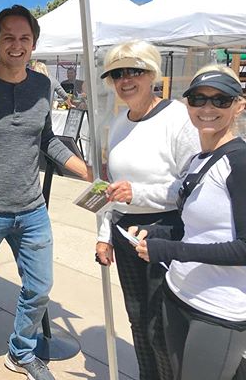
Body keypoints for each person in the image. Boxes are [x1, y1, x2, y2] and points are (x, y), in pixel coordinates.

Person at [0, 5, 90, 380]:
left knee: (40, 288)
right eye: (8, 37)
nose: (16, 45)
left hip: (31, 211)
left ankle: (22, 352)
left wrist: (87, 171)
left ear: (33, 43)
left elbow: (48, 141)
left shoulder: (41, 86)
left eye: (24, 38)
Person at [132, 65, 246, 380]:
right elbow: (196, 229)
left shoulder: (240, 162)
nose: (207, 108)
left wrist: (169, 250)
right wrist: (153, 233)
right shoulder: (199, 159)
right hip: (178, 294)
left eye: (220, 99)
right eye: (198, 99)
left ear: (239, 104)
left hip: (218, 310)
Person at [95, 40, 200, 380]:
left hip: (163, 233)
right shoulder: (120, 122)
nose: (126, 80)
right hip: (124, 232)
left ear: (152, 74)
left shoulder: (177, 119)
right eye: (118, 73)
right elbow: (113, 189)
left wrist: (138, 192)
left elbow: (192, 186)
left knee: (161, 325)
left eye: (135, 71)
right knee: (137, 320)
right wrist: (103, 236)